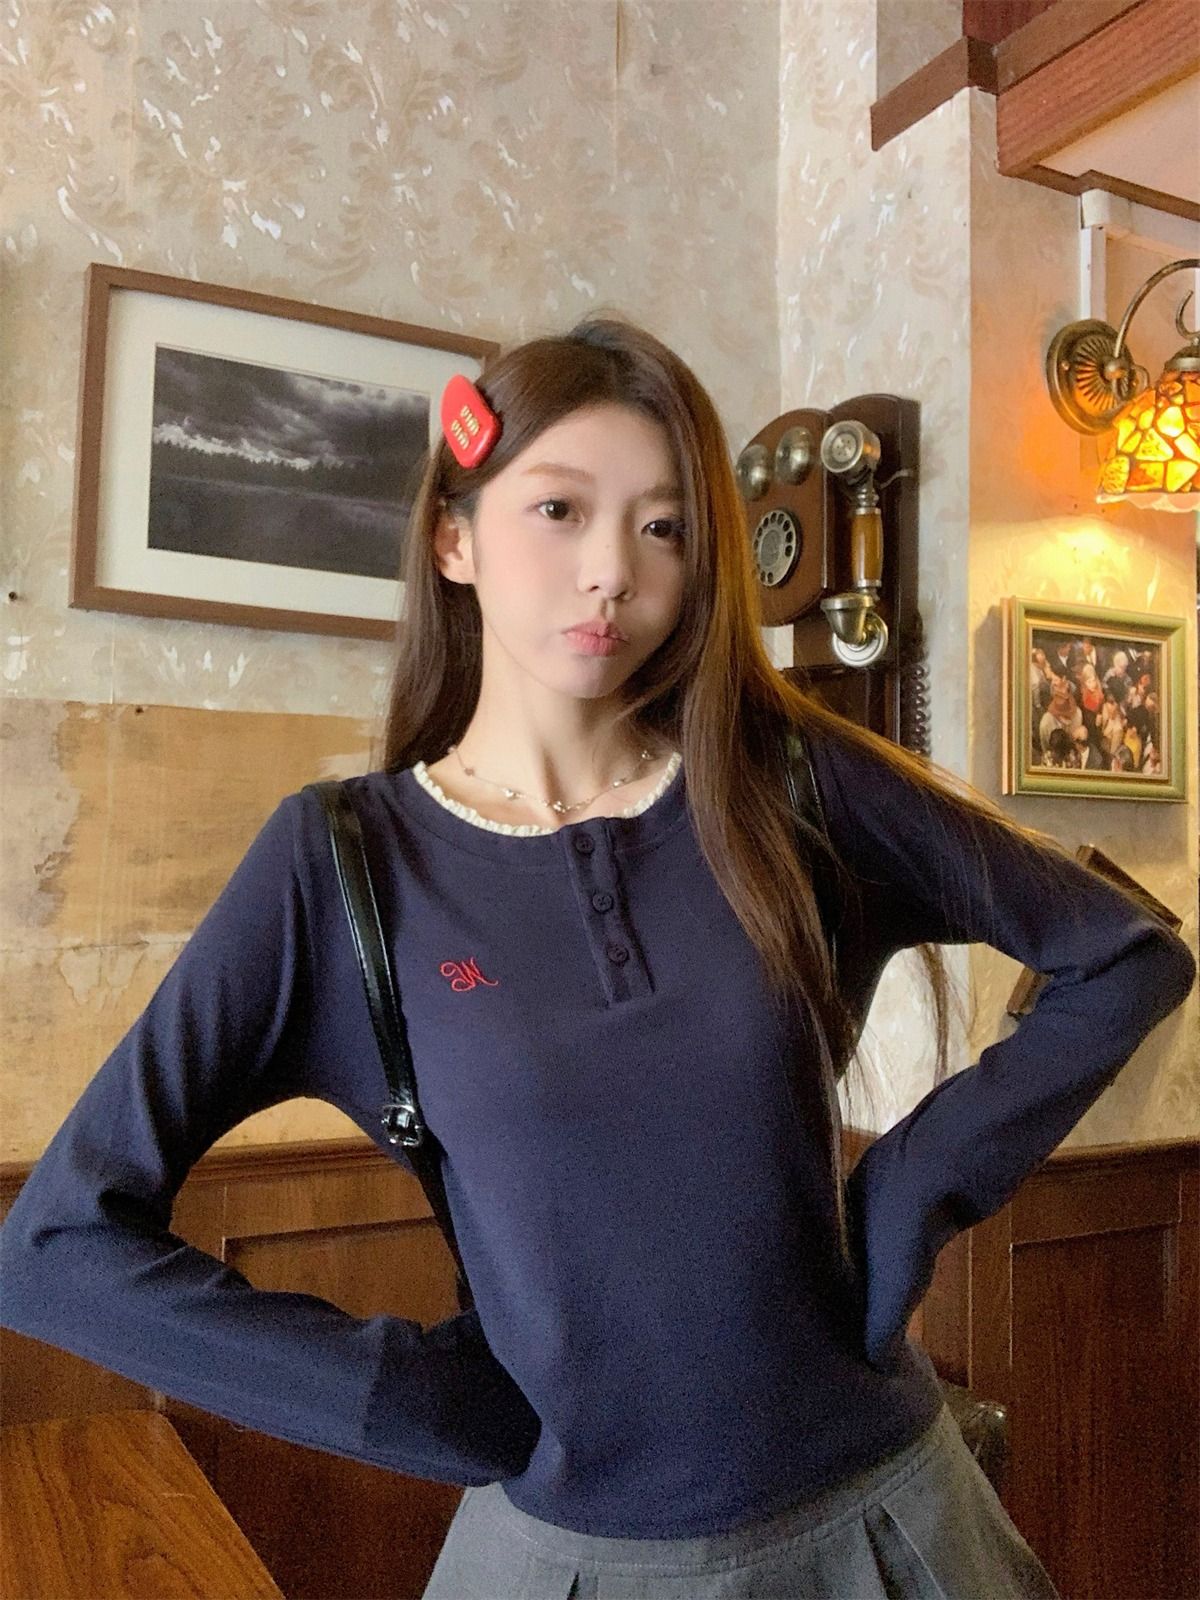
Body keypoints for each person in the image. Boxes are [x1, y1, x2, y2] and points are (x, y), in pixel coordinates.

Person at [1, 317, 1194, 1600]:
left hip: (891, 1525)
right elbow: (57, 1247)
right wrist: (405, 1397)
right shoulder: (340, 865)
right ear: (454, 539)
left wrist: (914, 1184)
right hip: (569, 1558)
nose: (612, 570)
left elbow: (1125, 955)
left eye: (663, 526)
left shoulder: (786, 780)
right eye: (559, 509)